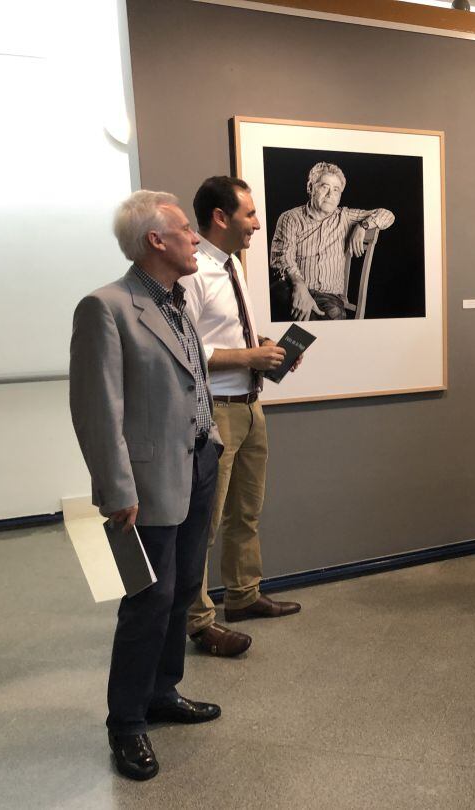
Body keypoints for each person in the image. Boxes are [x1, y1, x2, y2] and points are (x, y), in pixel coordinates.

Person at [70, 191, 223, 781]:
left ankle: (163, 691)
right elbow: (96, 409)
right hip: (145, 485)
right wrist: (116, 488)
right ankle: (127, 724)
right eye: (186, 230)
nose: (195, 239)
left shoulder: (179, 300)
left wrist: (210, 444)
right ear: (155, 241)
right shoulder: (105, 307)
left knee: (183, 588)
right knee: (146, 602)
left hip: (198, 465)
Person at [180, 176, 302, 659]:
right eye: (249, 214)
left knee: (246, 512)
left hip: (250, 407)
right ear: (220, 217)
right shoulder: (193, 274)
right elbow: (188, 350)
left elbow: (232, 338)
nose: (256, 223)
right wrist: (249, 359)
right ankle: (197, 620)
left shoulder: (232, 266)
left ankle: (243, 595)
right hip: (215, 413)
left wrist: (268, 353)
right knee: (203, 524)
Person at [269, 161, 394, 321]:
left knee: (329, 314)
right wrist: (299, 286)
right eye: (324, 187)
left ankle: (293, 344)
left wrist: (363, 225)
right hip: (292, 287)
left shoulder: (345, 217)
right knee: (276, 299)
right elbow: (282, 257)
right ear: (310, 188)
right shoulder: (290, 218)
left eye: (336, 190)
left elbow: (387, 215)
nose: (330, 194)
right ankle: (299, 342)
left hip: (329, 297)